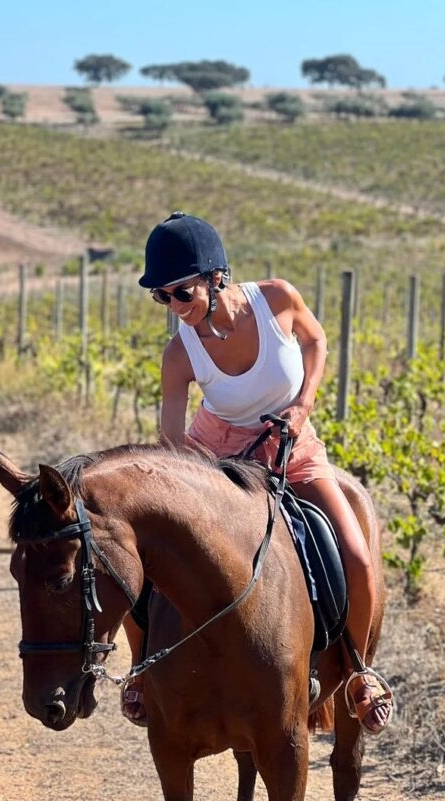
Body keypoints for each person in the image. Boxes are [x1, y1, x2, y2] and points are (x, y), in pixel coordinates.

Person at [122, 211, 392, 734]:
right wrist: (186, 484)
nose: (174, 308)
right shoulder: (180, 353)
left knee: (357, 557)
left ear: (215, 277)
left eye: (181, 293)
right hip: (218, 457)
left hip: (292, 447)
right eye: (162, 298)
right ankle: (141, 672)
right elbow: (173, 441)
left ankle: (359, 672)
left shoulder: (277, 300)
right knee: (151, 562)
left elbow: (316, 342)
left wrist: (302, 407)